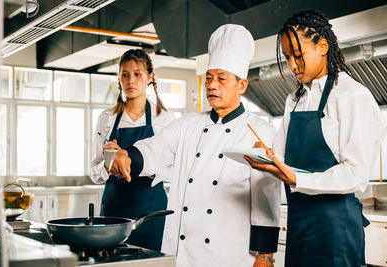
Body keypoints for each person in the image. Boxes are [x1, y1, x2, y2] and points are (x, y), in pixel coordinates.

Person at [110, 24, 281, 267]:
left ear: (241, 85)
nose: (212, 85)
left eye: (221, 79)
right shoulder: (188, 125)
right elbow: (156, 147)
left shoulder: (260, 132)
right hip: (183, 253)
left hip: (230, 254)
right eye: (209, 78)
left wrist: (265, 254)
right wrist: (129, 155)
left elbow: (266, 197)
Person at [245, 9, 387, 267]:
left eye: (298, 56)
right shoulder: (294, 99)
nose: (292, 66)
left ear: (323, 46)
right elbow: (280, 154)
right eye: (287, 57)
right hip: (299, 227)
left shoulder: (352, 96)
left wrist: (296, 177)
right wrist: (266, 155)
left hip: (336, 231)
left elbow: (355, 174)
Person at [90, 49, 175, 251]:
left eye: (137, 74)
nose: (131, 81)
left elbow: (173, 170)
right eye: (125, 75)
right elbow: (94, 173)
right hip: (115, 209)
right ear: (119, 79)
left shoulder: (163, 118)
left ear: (149, 78)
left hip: (151, 209)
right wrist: (108, 163)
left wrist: (146, 165)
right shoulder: (107, 118)